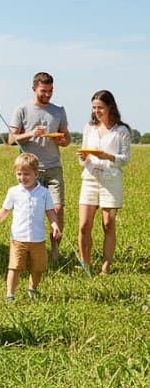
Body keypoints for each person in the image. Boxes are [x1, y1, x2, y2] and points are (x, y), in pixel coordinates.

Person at [9, 72, 70, 261]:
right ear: (34, 88)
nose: (48, 94)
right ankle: (29, 251)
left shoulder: (58, 111)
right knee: (30, 211)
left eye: (50, 91)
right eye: (44, 91)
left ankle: (54, 252)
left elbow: (66, 138)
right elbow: (11, 139)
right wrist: (31, 134)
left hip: (53, 167)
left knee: (57, 209)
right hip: (30, 171)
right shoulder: (22, 109)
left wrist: (62, 140)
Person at [0, 152, 61, 301]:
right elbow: (6, 209)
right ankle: (10, 294)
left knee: (38, 268)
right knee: (14, 267)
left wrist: (54, 225)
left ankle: (32, 288)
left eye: (26, 174)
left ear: (36, 174)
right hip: (18, 238)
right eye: (19, 174)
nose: (22, 178)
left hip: (38, 239)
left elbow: (50, 212)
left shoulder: (44, 193)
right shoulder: (13, 192)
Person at [77, 90, 131, 276]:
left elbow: (125, 159)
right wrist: (83, 157)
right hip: (90, 178)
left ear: (110, 107)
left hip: (111, 179)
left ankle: (105, 267)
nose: (96, 111)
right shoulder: (89, 128)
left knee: (108, 224)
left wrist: (107, 156)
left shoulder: (121, 130)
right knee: (84, 225)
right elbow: (83, 159)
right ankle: (85, 264)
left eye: (100, 107)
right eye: (94, 108)